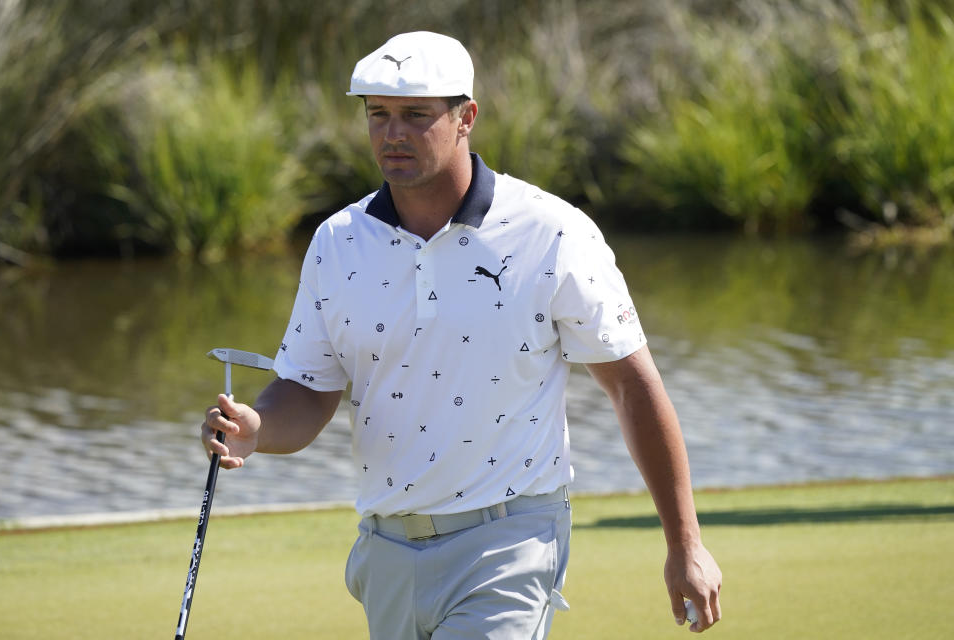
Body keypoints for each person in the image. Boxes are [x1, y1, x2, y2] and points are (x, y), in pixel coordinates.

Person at [202, 31, 722, 639]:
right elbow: (310, 390)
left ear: (465, 117)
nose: (393, 134)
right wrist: (257, 429)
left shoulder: (550, 232)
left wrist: (685, 542)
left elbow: (632, 387)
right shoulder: (337, 242)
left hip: (508, 543)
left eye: (416, 116)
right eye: (379, 115)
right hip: (385, 551)